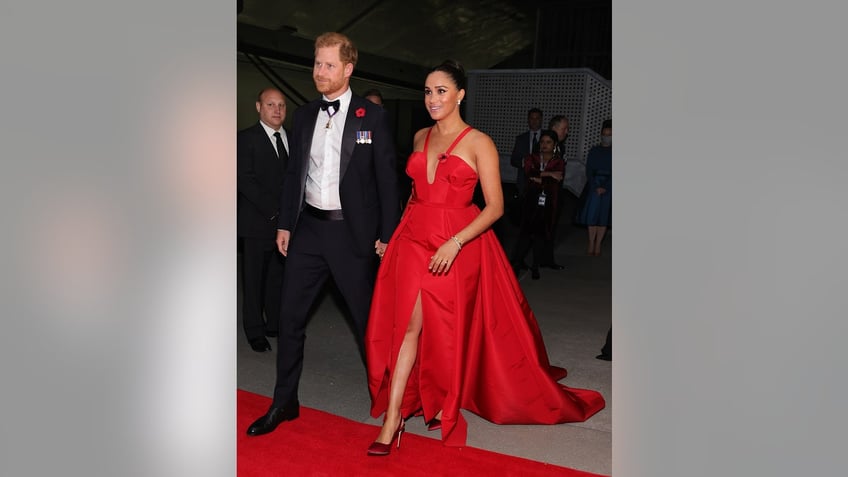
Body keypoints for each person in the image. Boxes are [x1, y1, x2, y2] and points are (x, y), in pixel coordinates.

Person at [364, 60, 605, 454]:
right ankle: (394, 418)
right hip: (413, 240)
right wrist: (393, 237)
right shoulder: (420, 136)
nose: (433, 99)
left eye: (442, 91)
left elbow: (494, 207)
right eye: (427, 91)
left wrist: (455, 242)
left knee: (444, 330)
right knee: (408, 326)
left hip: (454, 242)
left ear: (460, 94)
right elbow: (413, 195)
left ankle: (441, 397)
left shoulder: (480, 142)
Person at [246, 32, 400, 436]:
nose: (319, 72)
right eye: (316, 63)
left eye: (329, 65)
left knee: (368, 321)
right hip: (309, 229)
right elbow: (295, 171)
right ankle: (284, 402)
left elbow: (387, 181)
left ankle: (389, 402)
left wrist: (388, 233)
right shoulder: (305, 114)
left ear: (348, 69)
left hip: (353, 234)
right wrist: (284, 222)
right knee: (288, 316)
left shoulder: (373, 117)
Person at [237, 87, 289, 352]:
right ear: (259, 107)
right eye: (271, 105)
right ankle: (254, 330)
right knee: (254, 280)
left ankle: (273, 324)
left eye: (281, 105)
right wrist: (275, 210)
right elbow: (245, 180)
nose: (277, 110)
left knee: (276, 278)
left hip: (284, 226)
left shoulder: (291, 139)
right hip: (256, 223)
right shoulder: (245, 139)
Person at [510, 129, 564, 280]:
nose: (544, 145)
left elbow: (556, 181)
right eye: (542, 142)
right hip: (530, 200)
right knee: (525, 234)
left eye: (548, 142)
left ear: (554, 144)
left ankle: (535, 267)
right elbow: (529, 173)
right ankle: (516, 264)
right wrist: (549, 174)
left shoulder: (558, 161)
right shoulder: (531, 157)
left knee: (541, 235)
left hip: (548, 202)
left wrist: (541, 178)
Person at [576, 119, 612, 256]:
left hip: (610, 186)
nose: (606, 137)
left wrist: (606, 186)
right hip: (594, 186)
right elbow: (589, 170)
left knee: (603, 216)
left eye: (610, 134)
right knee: (592, 215)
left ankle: (598, 244)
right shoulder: (594, 150)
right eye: (605, 134)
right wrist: (596, 185)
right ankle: (591, 241)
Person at [540, 115, 571, 270]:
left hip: (555, 193)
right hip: (541, 193)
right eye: (564, 128)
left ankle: (547, 259)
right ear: (554, 128)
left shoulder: (561, 147)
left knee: (551, 228)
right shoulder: (543, 145)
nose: (567, 131)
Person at [510, 107, 543, 200]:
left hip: (542, 182)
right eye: (532, 118)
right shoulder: (521, 139)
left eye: (537, 118)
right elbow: (513, 160)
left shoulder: (547, 138)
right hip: (524, 183)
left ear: (541, 120)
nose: (534, 121)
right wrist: (525, 162)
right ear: (528, 120)